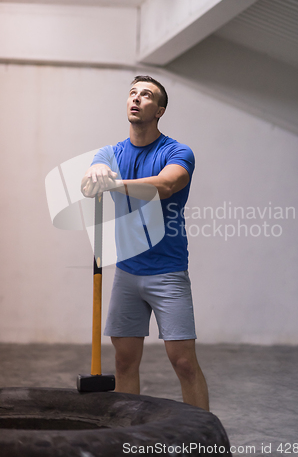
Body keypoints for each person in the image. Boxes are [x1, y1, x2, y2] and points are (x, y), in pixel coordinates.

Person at [81, 75, 209, 411]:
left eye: (146, 95)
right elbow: (90, 180)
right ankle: (129, 436)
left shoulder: (178, 152)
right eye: (132, 93)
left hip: (167, 272)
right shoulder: (110, 153)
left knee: (183, 362)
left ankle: (203, 438)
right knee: (124, 363)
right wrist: (94, 175)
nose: (136, 99)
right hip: (127, 271)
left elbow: (165, 186)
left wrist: (115, 183)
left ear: (160, 110)